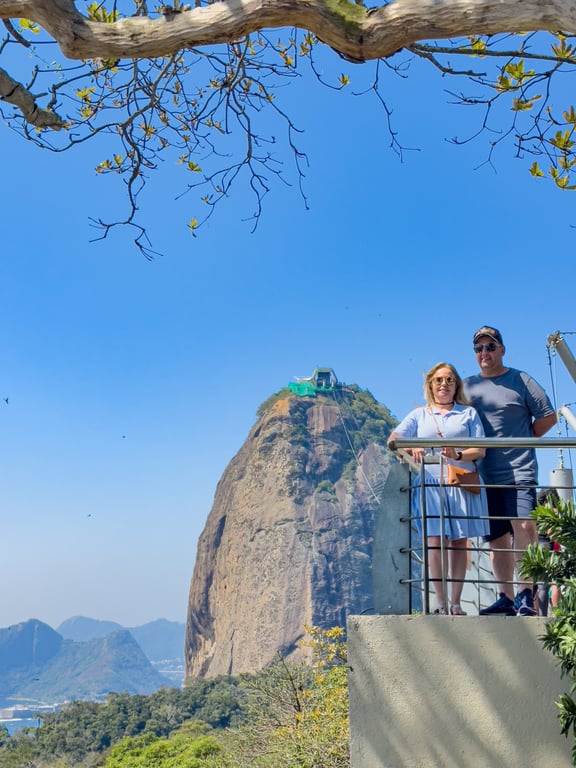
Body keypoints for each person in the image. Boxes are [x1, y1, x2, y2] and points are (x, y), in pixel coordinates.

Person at [463, 326, 557, 617]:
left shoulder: (521, 380)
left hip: (519, 470)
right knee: (497, 539)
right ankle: (504, 596)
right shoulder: (466, 387)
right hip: (485, 475)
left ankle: (525, 593)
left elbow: (548, 417)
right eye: (479, 348)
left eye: (490, 347)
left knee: (525, 528)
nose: (485, 352)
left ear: (502, 349)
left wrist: (524, 438)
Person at [388, 362, 489, 615]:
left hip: (459, 481)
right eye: (439, 380)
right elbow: (393, 439)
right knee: (434, 540)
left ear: (456, 385)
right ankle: (440, 603)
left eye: (449, 380)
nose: (444, 385)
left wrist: (458, 453)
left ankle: (456, 603)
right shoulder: (420, 415)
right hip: (430, 483)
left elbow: (480, 449)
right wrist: (411, 446)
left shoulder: (468, 414)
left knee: (459, 541)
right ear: (430, 385)